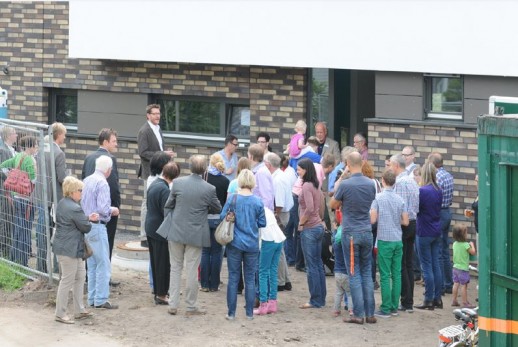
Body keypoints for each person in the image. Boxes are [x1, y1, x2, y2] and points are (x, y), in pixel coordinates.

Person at [157, 155, 221, 316]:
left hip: (176, 231)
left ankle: (173, 304)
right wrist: (204, 209)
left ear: (190, 167)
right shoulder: (209, 188)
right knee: (192, 269)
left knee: (175, 268)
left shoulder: (178, 183)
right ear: (205, 169)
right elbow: (218, 208)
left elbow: (168, 205)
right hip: (196, 233)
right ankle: (191, 306)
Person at [330, 152, 377, 324]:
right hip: (366, 231)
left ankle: (358, 314)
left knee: (354, 273)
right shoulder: (371, 183)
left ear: (348, 164)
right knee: (366, 272)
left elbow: (333, 204)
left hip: (351, 233)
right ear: (363, 162)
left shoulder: (346, 184)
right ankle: (370, 313)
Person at [53, 176, 98, 324]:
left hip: (68, 248)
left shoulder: (62, 203)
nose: (82, 193)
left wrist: (85, 218)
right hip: (70, 249)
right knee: (67, 280)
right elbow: (85, 227)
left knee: (79, 277)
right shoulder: (75, 207)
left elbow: (74, 220)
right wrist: (88, 220)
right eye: (80, 190)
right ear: (72, 192)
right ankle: (60, 313)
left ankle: (79, 310)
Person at [222, 169, 266, 321]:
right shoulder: (258, 201)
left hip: (234, 242)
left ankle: (231, 313)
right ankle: (249, 313)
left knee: (233, 277)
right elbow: (262, 223)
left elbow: (223, 217)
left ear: (239, 181)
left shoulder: (232, 199)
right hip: (252, 244)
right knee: (250, 279)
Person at [81, 155, 120, 309]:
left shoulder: (87, 180)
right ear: (108, 170)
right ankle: (101, 298)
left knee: (92, 264)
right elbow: (103, 209)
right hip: (98, 225)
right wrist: (113, 210)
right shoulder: (103, 183)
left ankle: (92, 298)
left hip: (87, 225)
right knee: (103, 263)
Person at [370, 169, 409, 318]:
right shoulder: (400, 200)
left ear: (383, 181)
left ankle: (385, 308)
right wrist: (394, 220)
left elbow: (373, 219)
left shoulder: (378, 198)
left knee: (385, 275)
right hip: (397, 239)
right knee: (396, 274)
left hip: (384, 240)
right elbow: (405, 221)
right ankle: (394, 306)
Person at [81, 129, 120, 274]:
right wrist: (115, 207)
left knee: (89, 242)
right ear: (105, 142)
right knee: (106, 242)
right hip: (105, 209)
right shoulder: (110, 159)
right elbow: (114, 186)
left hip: (88, 210)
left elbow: (82, 181)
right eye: (114, 141)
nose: (116, 145)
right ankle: (104, 275)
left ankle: (88, 273)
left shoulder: (88, 158)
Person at [137, 104, 175, 247]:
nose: (157, 116)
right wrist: (162, 154)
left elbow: (159, 149)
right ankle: (143, 236)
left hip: (160, 171)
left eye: (159, 114)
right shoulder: (144, 131)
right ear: (148, 115)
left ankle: (154, 232)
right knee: (147, 203)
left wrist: (166, 154)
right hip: (149, 172)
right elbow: (143, 153)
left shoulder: (158, 129)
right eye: (154, 114)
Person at [388, 154, 420, 313]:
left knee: (401, 265)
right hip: (413, 223)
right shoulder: (412, 180)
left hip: (404, 224)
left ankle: (406, 300)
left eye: (389, 166)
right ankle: (409, 301)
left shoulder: (400, 183)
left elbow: (399, 206)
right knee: (408, 263)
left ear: (395, 165)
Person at [145, 161, 180, 305]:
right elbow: (167, 212)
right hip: (160, 230)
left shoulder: (154, 184)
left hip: (150, 227)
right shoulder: (164, 190)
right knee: (162, 263)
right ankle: (161, 295)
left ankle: (158, 290)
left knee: (155, 261)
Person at [1, 135, 38, 267]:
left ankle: (14, 258)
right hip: (26, 199)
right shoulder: (29, 159)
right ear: (31, 146)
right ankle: (22, 262)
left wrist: (10, 176)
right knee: (25, 230)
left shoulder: (18, 156)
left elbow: (3, 166)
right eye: (36, 145)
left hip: (16, 196)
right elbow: (33, 180)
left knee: (18, 228)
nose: (37, 147)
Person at [297, 158, 326, 309]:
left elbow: (309, 208)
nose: (298, 171)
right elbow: (320, 205)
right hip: (317, 226)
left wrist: (301, 222)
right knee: (318, 264)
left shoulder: (307, 186)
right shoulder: (315, 185)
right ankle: (321, 298)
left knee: (312, 266)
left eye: (300, 169)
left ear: (306, 170)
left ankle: (315, 299)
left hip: (309, 228)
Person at [415, 163, 443, 310]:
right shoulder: (439, 190)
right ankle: (437, 298)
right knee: (435, 264)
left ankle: (428, 299)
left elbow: (416, 209)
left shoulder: (422, 191)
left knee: (426, 266)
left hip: (424, 230)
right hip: (436, 229)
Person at [264, 152, 293, 292]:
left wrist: (274, 216)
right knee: (279, 247)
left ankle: (281, 281)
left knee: (277, 247)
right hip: (281, 214)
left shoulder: (278, 179)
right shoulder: (279, 176)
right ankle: (285, 279)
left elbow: (279, 203)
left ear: (268, 165)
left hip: (280, 215)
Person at [200, 153, 229, 292]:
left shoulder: (203, 178)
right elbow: (225, 201)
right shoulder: (225, 181)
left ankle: (204, 284)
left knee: (205, 251)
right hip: (218, 219)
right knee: (217, 252)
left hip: (205, 218)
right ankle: (214, 284)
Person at [429, 152, 454, 295]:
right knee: (444, 249)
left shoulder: (437, 176)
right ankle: (448, 283)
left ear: (433, 164)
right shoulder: (448, 175)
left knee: (437, 250)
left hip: (438, 213)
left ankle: (442, 285)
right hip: (447, 212)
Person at [0, 126, 16, 257]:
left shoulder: (13, 150)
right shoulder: (3, 150)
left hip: (12, 190)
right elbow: (4, 170)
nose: (16, 135)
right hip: (6, 191)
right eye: (14, 133)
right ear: (8, 136)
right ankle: (4, 249)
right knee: (6, 218)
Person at [451, 224, 476, 308]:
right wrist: (472, 244)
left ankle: (454, 300)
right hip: (463, 269)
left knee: (455, 284)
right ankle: (465, 302)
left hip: (455, 267)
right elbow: (473, 252)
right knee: (464, 286)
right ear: (463, 235)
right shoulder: (466, 245)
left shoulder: (454, 244)